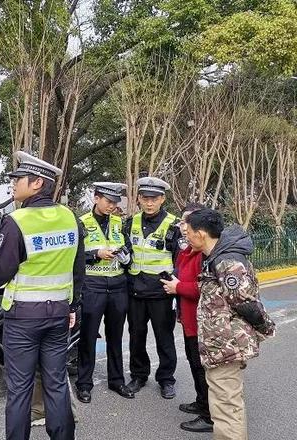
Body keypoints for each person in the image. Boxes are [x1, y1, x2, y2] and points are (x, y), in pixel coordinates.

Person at [0, 151, 85, 440]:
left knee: (20, 388)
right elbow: (77, 269)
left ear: (36, 183)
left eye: (18, 179)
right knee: (56, 383)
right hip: (58, 313)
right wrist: (72, 305)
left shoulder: (17, 221)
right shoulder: (70, 217)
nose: (13, 184)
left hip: (22, 319)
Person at [184, 209, 275, 440]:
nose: (186, 236)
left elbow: (245, 303)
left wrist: (266, 327)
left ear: (201, 234)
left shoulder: (227, 262)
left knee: (226, 406)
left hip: (226, 346)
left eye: (189, 232)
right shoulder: (215, 257)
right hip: (219, 345)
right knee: (225, 403)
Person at [75, 182, 134, 403]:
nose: (112, 206)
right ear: (96, 198)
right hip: (93, 286)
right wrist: (96, 253)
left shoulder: (120, 223)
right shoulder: (82, 223)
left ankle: (117, 380)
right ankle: (84, 384)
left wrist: (126, 256)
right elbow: (75, 255)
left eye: (115, 203)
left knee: (116, 337)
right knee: (88, 337)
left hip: (118, 285)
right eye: (108, 201)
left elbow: (129, 249)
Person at [124, 176, 182, 399]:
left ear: (162, 199)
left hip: (161, 293)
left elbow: (180, 260)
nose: (149, 203)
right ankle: (139, 375)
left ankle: (166, 379)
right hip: (135, 291)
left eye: (154, 198)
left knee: (163, 337)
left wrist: (176, 285)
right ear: (138, 199)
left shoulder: (174, 226)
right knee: (136, 336)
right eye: (145, 198)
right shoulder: (131, 222)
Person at [160, 203, 213, 433]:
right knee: (194, 363)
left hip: (201, 320)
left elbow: (205, 288)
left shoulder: (206, 254)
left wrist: (178, 287)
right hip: (188, 317)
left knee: (202, 367)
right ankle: (202, 403)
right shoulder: (187, 250)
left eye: (187, 222)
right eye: (182, 222)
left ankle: (209, 415)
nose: (183, 227)